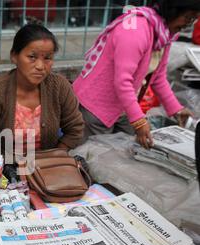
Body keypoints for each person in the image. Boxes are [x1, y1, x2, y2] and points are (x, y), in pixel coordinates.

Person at [73, 0, 200, 149]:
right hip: (96, 107)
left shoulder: (163, 34)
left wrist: (176, 109)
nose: (189, 25)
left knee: (121, 152)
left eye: (193, 19)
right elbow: (123, 82)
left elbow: (158, 77)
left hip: (122, 105)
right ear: (173, 11)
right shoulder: (134, 30)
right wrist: (139, 121)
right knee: (91, 155)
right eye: (188, 18)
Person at [0, 23, 84, 161]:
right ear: (14, 56)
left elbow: (75, 128)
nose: (40, 66)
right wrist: (10, 167)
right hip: (4, 168)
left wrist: (54, 158)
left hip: (47, 167)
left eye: (47, 58)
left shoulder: (59, 87)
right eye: (32, 57)